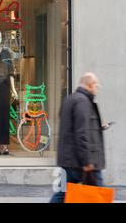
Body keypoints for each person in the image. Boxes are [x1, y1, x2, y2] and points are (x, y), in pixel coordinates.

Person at [50, 72, 109, 203]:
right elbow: (81, 132)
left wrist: (96, 125)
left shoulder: (70, 99)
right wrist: (87, 162)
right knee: (98, 193)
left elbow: (72, 125)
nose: (97, 89)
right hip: (81, 161)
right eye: (96, 86)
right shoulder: (83, 101)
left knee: (62, 193)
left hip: (68, 160)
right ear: (89, 85)